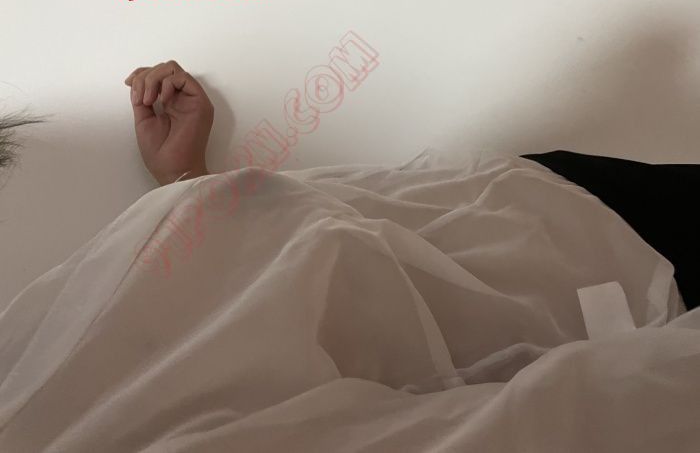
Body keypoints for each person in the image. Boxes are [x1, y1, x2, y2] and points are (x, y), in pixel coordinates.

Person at [0, 62, 698, 452]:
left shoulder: (27, 355)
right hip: (618, 282)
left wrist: (187, 183)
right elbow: (559, 422)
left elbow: (216, 346)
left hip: (530, 207)